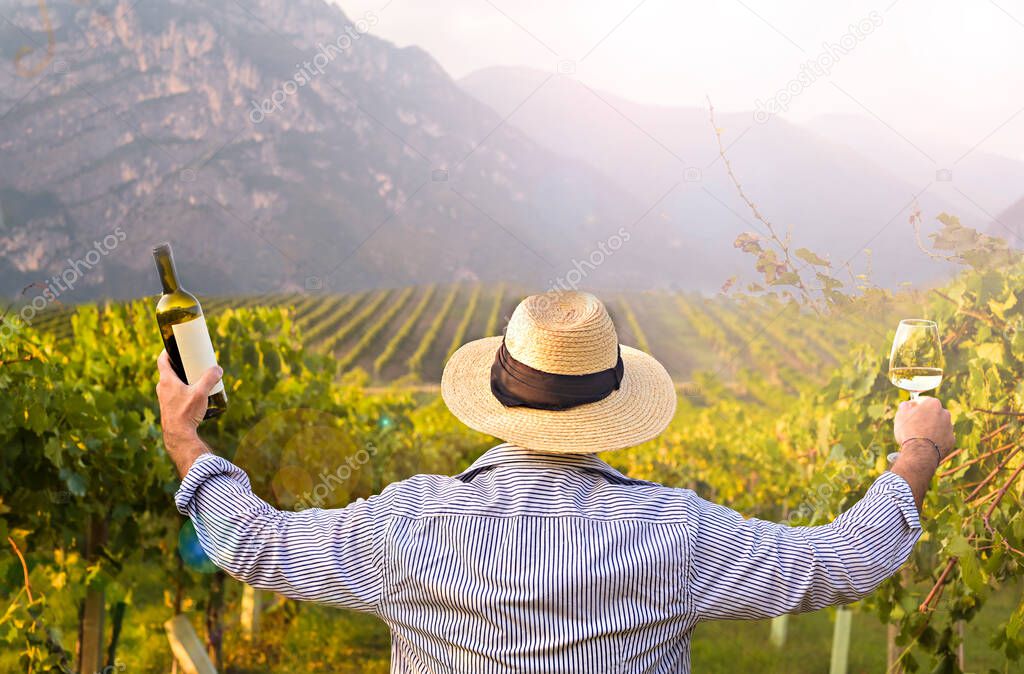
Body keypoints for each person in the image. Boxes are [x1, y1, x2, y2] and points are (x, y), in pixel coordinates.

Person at [157, 291, 954, 673]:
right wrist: (916, 450)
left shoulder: (407, 525)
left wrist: (183, 436)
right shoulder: (676, 534)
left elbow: (252, 542)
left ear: (497, 398)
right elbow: (844, 559)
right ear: (614, 402)